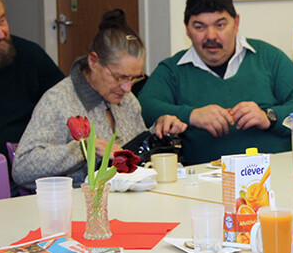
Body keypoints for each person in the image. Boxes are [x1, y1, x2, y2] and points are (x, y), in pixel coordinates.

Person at [138, 0, 293, 164]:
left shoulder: (268, 57)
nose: (211, 36)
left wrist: (269, 117)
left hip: (276, 171)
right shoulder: (173, 70)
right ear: (187, 29)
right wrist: (192, 116)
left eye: (220, 25)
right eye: (200, 27)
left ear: (236, 23)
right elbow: (144, 107)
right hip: (203, 180)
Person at [13, 10, 186, 190]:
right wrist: (84, 148)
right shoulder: (58, 101)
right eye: (120, 77)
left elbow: (134, 156)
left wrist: (157, 132)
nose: (127, 88)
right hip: (82, 206)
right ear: (93, 61)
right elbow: (22, 168)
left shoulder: (127, 99)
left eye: (134, 78)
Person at [0, 0, 64, 171]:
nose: (0, 33)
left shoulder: (30, 56)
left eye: (2, 20)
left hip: (29, 175)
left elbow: (66, 105)